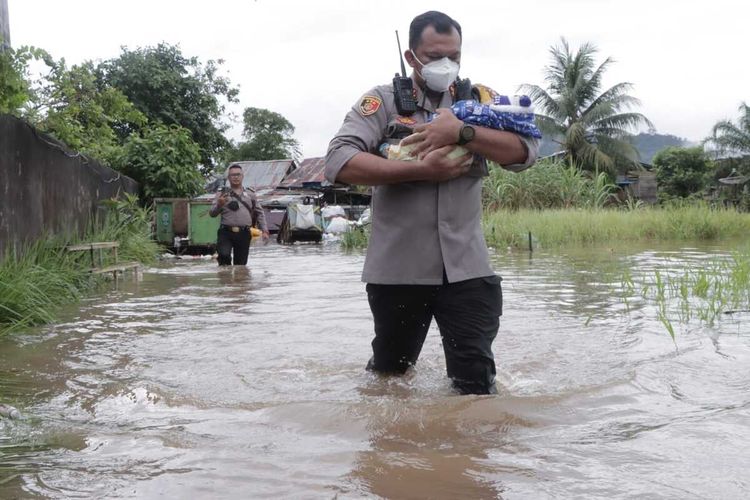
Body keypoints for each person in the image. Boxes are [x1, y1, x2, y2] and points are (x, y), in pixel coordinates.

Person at [325, 11, 540, 395]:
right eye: (435, 55)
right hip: (398, 270)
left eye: (454, 56)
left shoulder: (481, 102)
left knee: (475, 383)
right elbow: (338, 162)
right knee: (390, 380)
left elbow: (525, 153)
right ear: (412, 57)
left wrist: (464, 132)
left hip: (467, 268)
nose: (447, 65)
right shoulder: (383, 102)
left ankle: (466, 455)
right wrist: (421, 169)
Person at [209, 164, 269, 266]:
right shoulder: (221, 194)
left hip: (244, 233)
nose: (235, 177)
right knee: (224, 256)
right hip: (226, 232)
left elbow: (259, 213)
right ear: (228, 177)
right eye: (233, 175)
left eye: (238, 174)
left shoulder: (250, 194)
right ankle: (226, 279)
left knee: (240, 266)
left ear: (242, 176)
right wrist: (219, 204)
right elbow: (212, 214)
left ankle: (238, 282)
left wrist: (265, 231)